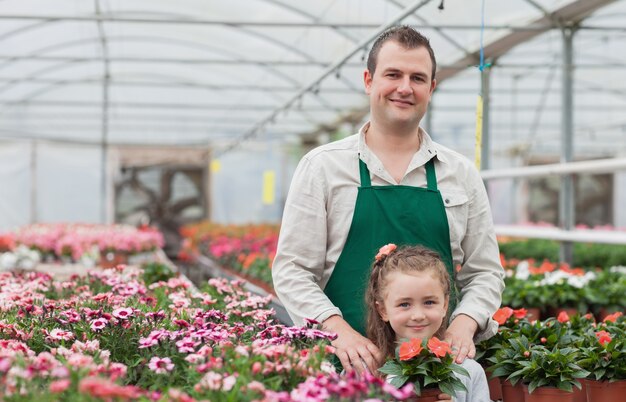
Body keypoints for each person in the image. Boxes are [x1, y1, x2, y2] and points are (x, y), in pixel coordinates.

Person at [272, 25, 504, 375]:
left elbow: (485, 271)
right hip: (346, 367)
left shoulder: (459, 172)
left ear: (431, 88)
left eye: (418, 78)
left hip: (440, 371)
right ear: (368, 80)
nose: (405, 88)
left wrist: (465, 323)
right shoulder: (323, 167)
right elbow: (292, 270)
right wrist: (339, 333)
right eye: (393, 74)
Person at [366, 244, 490, 402]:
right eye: (404, 304)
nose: (418, 315)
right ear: (383, 310)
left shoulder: (468, 370)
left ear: (444, 305)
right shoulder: (365, 370)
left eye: (429, 302)